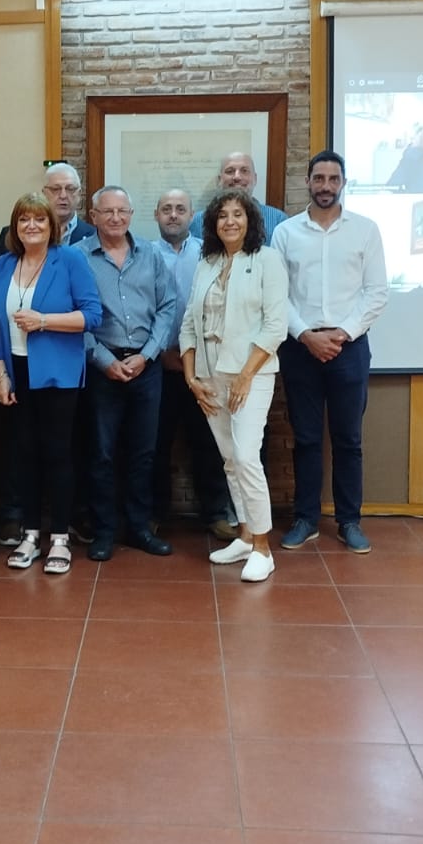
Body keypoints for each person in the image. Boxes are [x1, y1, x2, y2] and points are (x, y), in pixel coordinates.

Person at [271, 151, 388, 554]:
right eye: (318, 178)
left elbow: (376, 293)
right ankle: (305, 519)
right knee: (304, 438)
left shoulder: (365, 230)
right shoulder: (286, 233)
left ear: (343, 183)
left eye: (332, 179)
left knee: (348, 440)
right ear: (308, 181)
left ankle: (349, 521)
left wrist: (342, 333)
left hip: (349, 348)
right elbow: (277, 294)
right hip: (300, 347)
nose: (325, 186)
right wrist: (306, 334)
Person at [181, 188, 289, 582]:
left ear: (251, 220)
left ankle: (263, 547)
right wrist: (192, 378)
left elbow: (276, 326)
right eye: (222, 215)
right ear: (212, 223)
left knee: (246, 458)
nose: (230, 221)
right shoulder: (206, 262)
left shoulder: (267, 260)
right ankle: (245, 535)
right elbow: (190, 323)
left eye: (238, 214)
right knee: (230, 458)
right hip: (210, 376)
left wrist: (246, 375)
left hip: (252, 376)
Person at [0, 193, 102, 574]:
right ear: (15, 227)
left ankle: (59, 538)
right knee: (24, 454)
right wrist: (1, 373)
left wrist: (43, 320)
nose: (31, 226)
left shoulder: (69, 259)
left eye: (39, 219)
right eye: (24, 220)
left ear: (51, 225)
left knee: (57, 453)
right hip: (17, 370)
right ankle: (30, 533)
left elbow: (92, 316)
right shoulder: (5, 264)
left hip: (57, 371)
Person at [77, 186, 176, 560]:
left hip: (146, 367)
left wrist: (148, 355)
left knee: (143, 453)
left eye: (122, 211)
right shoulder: (78, 257)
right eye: (108, 212)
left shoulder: (150, 254)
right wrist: (104, 359)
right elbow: (75, 317)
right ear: (94, 216)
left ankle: (138, 527)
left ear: (132, 214)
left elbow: (167, 307)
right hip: (103, 367)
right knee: (101, 454)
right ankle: (104, 532)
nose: (115, 218)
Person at [151, 188, 236, 540]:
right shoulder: (143, 254)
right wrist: (160, 353)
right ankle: (154, 514)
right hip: (157, 364)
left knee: (209, 442)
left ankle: (215, 513)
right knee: (155, 445)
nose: (173, 215)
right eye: (166, 209)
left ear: (192, 216)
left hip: (203, 366)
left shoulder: (210, 255)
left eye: (180, 209)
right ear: (156, 215)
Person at [0, 162, 96, 255]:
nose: (63, 195)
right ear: (44, 193)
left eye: (70, 189)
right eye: (55, 189)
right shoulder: (12, 235)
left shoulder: (94, 235)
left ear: (79, 194)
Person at [188, 152, 288, 239]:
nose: (237, 177)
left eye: (244, 171)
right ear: (219, 180)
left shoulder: (278, 220)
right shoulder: (197, 222)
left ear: (255, 178)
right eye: (230, 171)